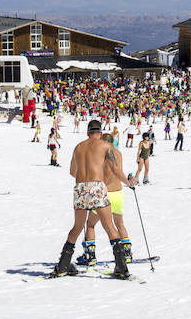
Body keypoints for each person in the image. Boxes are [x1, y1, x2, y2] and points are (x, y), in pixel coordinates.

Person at [50, 119, 138, 279]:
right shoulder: (105, 146)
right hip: (97, 187)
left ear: (87, 132)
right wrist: (128, 182)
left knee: (77, 227)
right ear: (101, 132)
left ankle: (62, 265)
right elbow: (116, 170)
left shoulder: (78, 147)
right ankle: (121, 267)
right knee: (109, 226)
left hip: (80, 188)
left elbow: (72, 171)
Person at [77, 133, 134, 266]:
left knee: (90, 224)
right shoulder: (119, 154)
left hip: (103, 194)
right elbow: (118, 171)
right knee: (119, 224)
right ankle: (126, 252)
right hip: (118, 192)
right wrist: (129, 182)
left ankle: (90, 255)